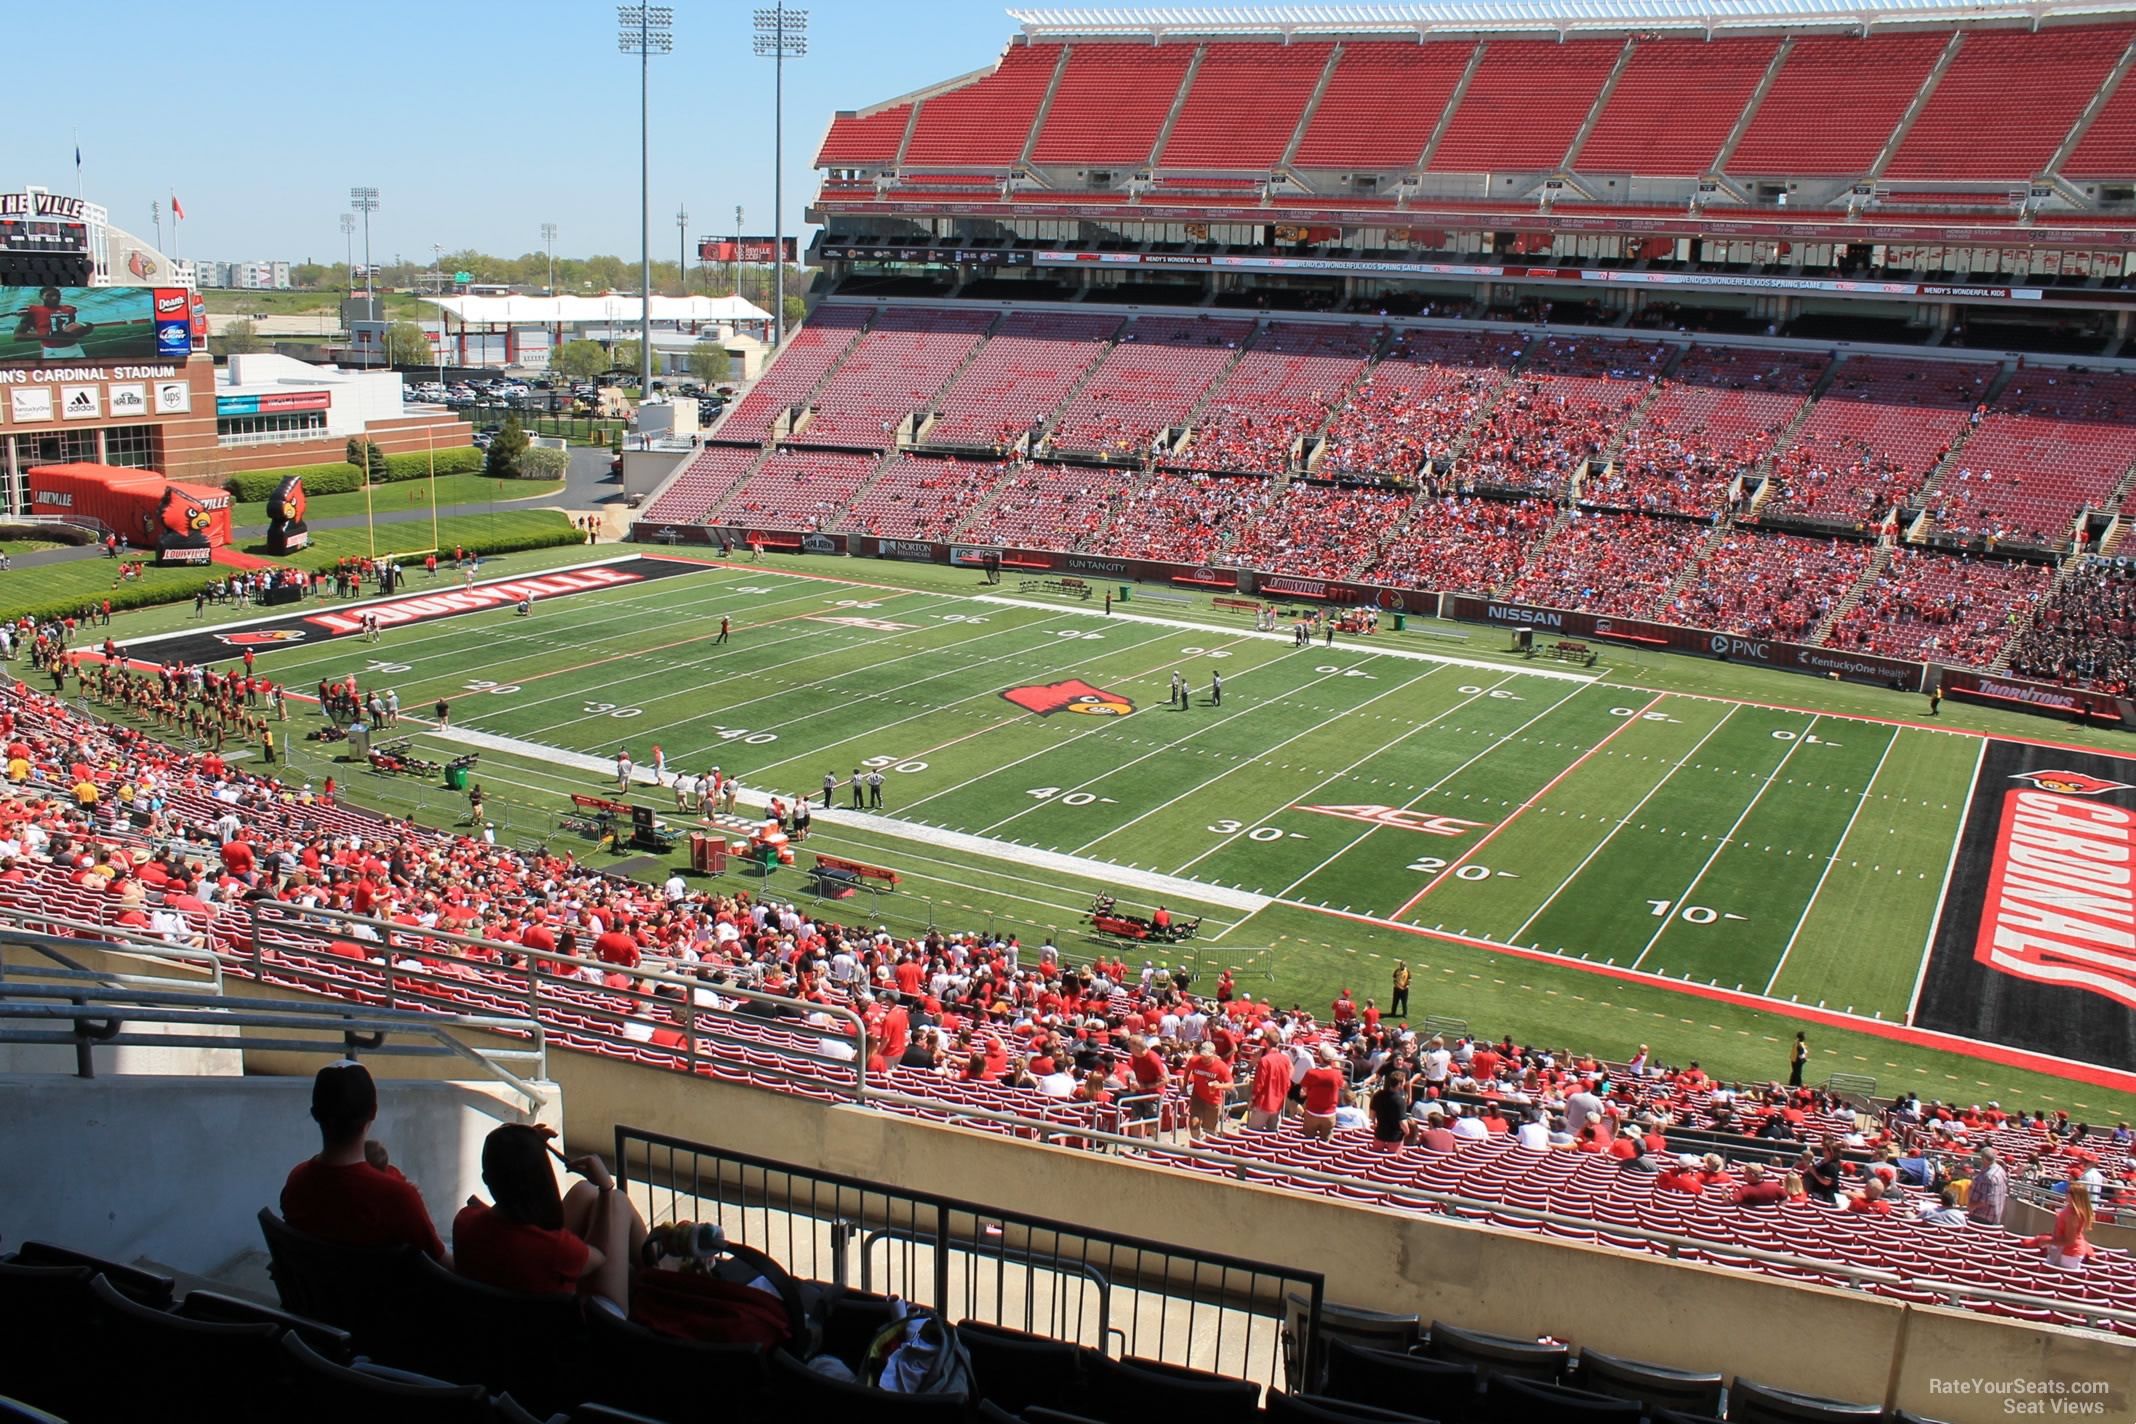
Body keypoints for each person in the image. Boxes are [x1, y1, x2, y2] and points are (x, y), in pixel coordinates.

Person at [453, 1123, 645, 1311]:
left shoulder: (465, 1221)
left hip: (499, 1319)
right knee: (616, 1200)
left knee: (584, 1190)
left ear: (487, 1178)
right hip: (592, 1328)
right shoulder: (558, 1250)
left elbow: (508, 1207)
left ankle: (652, 1265)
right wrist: (606, 1188)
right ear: (542, 1179)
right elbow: (600, 1253)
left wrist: (526, 1150)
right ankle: (656, 1269)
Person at [280, 1061, 446, 1260]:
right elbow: (445, 1264)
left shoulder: (296, 1182)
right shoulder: (397, 1197)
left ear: (315, 1114)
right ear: (374, 1112)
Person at [2027, 1183, 2096, 1270]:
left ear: (2075, 1196)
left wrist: (2048, 1242)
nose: (2065, 1194)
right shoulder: (2070, 1208)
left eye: (2068, 1192)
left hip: (2070, 1254)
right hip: (2062, 1250)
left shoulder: (2073, 1215)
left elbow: (2069, 1241)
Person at [1299, 1045, 1344, 1142]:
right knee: (1325, 1145)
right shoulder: (1337, 1074)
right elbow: (1341, 1085)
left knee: (1308, 1143)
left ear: (1320, 1057)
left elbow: (1303, 1093)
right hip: (1329, 1115)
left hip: (1312, 1113)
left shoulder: (1311, 1073)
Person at [1246, 1037, 1291, 1131]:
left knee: (1252, 1133)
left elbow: (1259, 1084)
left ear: (1266, 1043)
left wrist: (1252, 1099)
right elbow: (1288, 1081)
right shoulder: (1286, 1059)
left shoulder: (1265, 1060)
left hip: (1263, 1103)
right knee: (1272, 1135)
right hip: (1278, 1103)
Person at [1967, 1146, 2008, 1226]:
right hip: (1992, 1216)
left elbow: (1986, 1200)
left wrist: (1972, 1206)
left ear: (1984, 1158)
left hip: (1982, 1217)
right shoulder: (2000, 1169)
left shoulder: (1989, 1177)